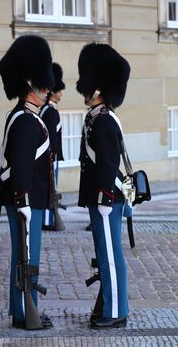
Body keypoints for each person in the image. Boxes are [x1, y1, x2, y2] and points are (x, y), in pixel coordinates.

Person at [0, 35, 54, 329]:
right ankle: (23, 313)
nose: (47, 90)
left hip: (27, 200)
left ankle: (23, 308)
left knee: (25, 257)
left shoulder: (23, 116)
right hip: (25, 202)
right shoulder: (25, 120)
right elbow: (21, 168)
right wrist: (23, 205)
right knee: (26, 259)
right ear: (30, 84)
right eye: (43, 84)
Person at [76, 43, 130, 329]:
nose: (85, 92)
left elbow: (108, 164)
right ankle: (107, 304)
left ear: (100, 89)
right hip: (100, 196)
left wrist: (105, 199)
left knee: (110, 256)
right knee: (105, 253)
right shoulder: (96, 117)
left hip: (106, 197)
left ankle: (116, 311)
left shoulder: (105, 121)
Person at [39, 63, 65, 231]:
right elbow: (50, 137)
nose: (61, 93)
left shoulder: (47, 109)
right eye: (59, 90)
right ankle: (48, 220)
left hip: (50, 156)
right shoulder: (50, 111)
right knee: (50, 189)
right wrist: (52, 156)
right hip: (50, 156)